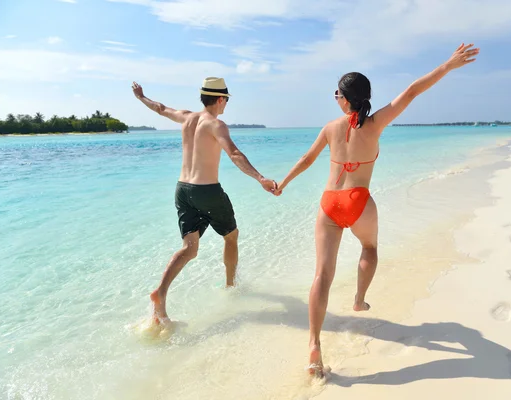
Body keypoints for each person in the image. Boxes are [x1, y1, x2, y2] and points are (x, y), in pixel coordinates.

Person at [274, 44, 479, 376]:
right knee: (369, 247)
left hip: (329, 203)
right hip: (359, 201)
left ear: (344, 97)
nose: (335, 97)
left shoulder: (330, 128)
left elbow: (306, 160)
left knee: (321, 276)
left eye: (336, 93)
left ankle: (313, 344)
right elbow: (412, 91)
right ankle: (358, 298)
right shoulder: (376, 124)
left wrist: (282, 183)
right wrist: (448, 65)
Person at [132, 77, 277, 324]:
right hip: (207, 191)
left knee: (190, 248)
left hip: (182, 190)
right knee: (231, 235)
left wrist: (141, 97)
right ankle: (231, 286)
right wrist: (260, 178)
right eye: (226, 101)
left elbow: (161, 108)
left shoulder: (186, 117)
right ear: (220, 99)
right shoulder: (216, 125)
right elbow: (234, 153)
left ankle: (160, 293)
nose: (226, 106)